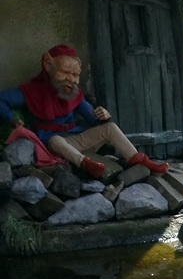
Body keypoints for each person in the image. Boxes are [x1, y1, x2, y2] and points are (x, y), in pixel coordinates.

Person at [0, 44, 169, 179]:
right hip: (50, 144)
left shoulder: (76, 95)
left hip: (77, 140)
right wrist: (11, 119)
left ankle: (139, 160)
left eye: (76, 75)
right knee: (56, 140)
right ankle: (86, 165)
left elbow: (94, 121)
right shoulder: (32, 91)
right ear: (47, 65)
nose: (71, 79)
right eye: (65, 72)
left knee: (110, 128)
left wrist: (104, 117)